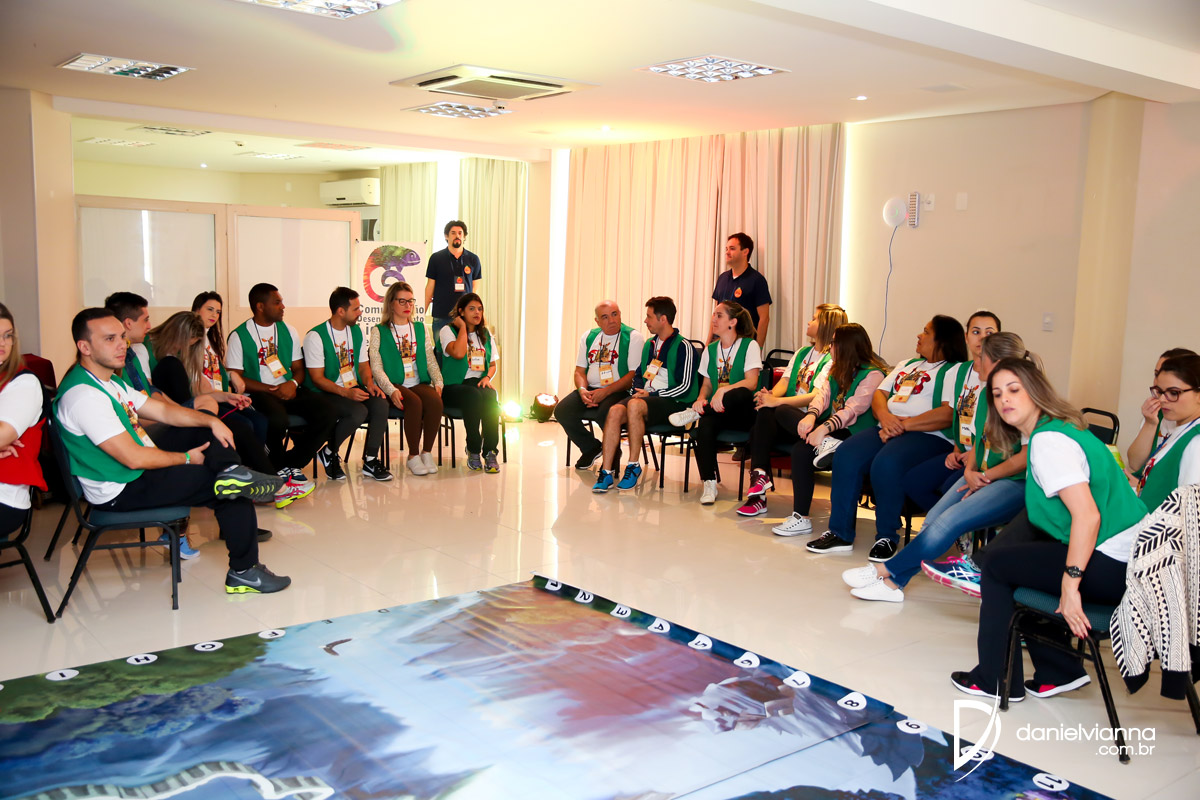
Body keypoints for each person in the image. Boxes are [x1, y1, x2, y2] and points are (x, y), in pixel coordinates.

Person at [54, 308, 291, 593]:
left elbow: (163, 412)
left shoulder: (109, 381)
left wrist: (211, 421)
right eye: (109, 339)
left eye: (121, 337)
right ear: (85, 347)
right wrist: (188, 459)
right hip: (120, 488)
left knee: (205, 431)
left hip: (134, 470)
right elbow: (133, 458)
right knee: (229, 490)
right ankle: (245, 571)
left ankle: (231, 470)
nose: (121, 345)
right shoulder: (84, 396)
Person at [950, 358, 1146, 702]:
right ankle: (1059, 671)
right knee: (1019, 562)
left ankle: (994, 679)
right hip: (1134, 559)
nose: (1005, 399)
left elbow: (1087, 517)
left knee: (996, 566)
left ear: (1035, 392)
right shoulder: (1062, 427)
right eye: (997, 394)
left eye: (1014, 390)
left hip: (1116, 565)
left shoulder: (1048, 442)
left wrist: (1070, 585)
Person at [842, 332, 1033, 602]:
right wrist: (970, 472)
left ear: (998, 363)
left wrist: (983, 476)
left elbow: (1026, 456)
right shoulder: (986, 395)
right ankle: (893, 584)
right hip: (983, 473)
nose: (974, 363)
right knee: (933, 519)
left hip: (1014, 481)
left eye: (980, 358)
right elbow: (979, 441)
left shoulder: (1022, 399)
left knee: (950, 520)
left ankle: (886, 572)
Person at [807, 316, 969, 561]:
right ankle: (840, 533)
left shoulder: (955, 370)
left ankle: (886, 536)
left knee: (887, 462)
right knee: (847, 454)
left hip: (928, 435)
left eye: (926, 332)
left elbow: (948, 413)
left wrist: (901, 425)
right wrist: (885, 417)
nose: (919, 335)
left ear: (942, 340)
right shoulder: (908, 364)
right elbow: (880, 394)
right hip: (888, 427)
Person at [149, 311, 313, 515]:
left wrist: (227, 396)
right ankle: (273, 483)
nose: (192, 345)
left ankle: (267, 481)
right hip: (182, 420)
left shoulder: (177, 361)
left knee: (250, 423)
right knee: (241, 429)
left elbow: (199, 394)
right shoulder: (168, 362)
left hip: (190, 413)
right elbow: (175, 404)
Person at [738, 323, 887, 529]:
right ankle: (801, 517)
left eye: (834, 343)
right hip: (831, 433)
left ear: (846, 345)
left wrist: (823, 429)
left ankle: (796, 512)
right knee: (787, 425)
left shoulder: (873, 374)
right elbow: (822, 398)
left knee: (798, 445)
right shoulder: (837, 370)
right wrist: (810, 416)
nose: (830, 347)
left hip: (854, 435)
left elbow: (852, 410)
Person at [226, 283, 337, 484]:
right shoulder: (239, 336)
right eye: (277, 303)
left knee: (327, 412)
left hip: (287, 388)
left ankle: (292, 463)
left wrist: (293, 383)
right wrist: (271, 389)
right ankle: (276, 467)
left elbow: (299, 368)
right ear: (260, 306)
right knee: (277, 419)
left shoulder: (289, 331)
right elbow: (236, 377)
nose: (283, 306)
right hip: (257, 393)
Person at [743, 303, 848, 502]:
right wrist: (769, 396)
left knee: (773, 413)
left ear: (826, 325)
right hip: (786, 419)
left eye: (814, 319)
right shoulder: (802, 352)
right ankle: (760, 479)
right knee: (765, 414)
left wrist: (776, 401)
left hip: (810, 420)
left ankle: (758, 488)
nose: (809, 322)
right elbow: (784, 381)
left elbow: (816, 396)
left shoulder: (831, 359)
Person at [900, 311, 1001, 517]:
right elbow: (957, 416)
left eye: (989, 332)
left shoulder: (1004, 375)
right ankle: (952, 525)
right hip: (962, 451)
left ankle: (952, 525)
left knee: (951, 488)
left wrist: (974, 454)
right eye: (976, 332)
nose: (982, 338)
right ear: (966, 337)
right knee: (913, 482)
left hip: (987, 456)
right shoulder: (956, 372)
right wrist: (956, 450)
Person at [593, 296, 698, 493]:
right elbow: (640, 375)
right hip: (646, 399)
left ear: (663, 319)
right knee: (614, 411)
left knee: (634, 405)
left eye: (649, 317)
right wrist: (638, 391)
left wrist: (652, 394)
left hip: (673, 402)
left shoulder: (684, 346)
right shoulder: (650, 344)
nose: (645, 321)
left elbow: (685, 387)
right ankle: (606, 471)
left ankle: (633, 465)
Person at [668, 302, 761, 505]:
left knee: (740, 393)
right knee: (706, 426)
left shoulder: (749, 345)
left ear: (732, 322)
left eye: (719, 315)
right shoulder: (710, 349)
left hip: (743, 414)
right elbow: (707, 384)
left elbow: (752, 382)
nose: (713, 319)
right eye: (713, 315)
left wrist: (724, 389)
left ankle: (698, 412)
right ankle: (709, 483)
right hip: (717, 411)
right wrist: (701, 398)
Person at [303, 287, 392, 482]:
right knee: (357, 411)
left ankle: (370, 460)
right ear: (340, 311)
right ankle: (330, 452)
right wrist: (345, 393)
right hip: (323, 391)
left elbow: (363, 365)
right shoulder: (315, 336)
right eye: (356, 309)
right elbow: (317, 378)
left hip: (350, 387)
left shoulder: (356, 331)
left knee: (380, 404)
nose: (360, 312)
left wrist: (369, 383)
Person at [369, 281, 444, 476]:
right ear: (391, 303)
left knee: (435, 402)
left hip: (417, 381)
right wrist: (391, 389)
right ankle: (413, 455)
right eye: (402, 301)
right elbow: (376, 367)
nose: (407, 305)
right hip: (394, 383)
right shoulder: (379, 331)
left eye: (410, 301)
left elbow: (430, 358)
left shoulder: (420, 328)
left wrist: (438, 381)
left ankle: (426, 452)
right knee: (414, 402)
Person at [558, 300, 644, 470]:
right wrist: (582, 390)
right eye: (605, 317)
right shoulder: (589, 336)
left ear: (620, 314)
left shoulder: (633, 337)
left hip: (620, 390)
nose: (611, 320)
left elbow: (633, 376)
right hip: (591, 389)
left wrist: (605, 392)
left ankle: (613, 455)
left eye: (615, 314)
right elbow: (579, 371)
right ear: (597, 321)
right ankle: (591, 447)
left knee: (605, 412)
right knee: (562, 410)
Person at [104, 292, 213, 413]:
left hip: (153, 411)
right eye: (145, 320)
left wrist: (179, 410)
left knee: (208, 403)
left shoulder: (131, 354)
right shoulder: (130, 354)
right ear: (128, 323)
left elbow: (149, 390)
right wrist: (178, 414)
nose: (149, 326)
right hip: (144, 417)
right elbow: (135, 410)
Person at [0, 303, 49, 544]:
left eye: (7, 335)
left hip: (4, 497)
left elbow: (3, 435)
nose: (2, 343)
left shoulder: (23, 383)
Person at [1128, 353, 1200, 513]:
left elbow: (1190, 514)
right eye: (1160, 392)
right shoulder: (1182, 428)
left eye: (1173, 393)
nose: (1162, 400)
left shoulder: (1196, 441)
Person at [191, 291, 267, 441]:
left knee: (260, 421)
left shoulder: (211, 338)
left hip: (221, 396)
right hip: (205, 400)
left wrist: (231, 375)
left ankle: (259, 456)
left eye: (218, 312)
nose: (214, 315)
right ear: (196, 310)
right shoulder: (190, 339)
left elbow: (216, 369)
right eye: (210, 309)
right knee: (246, 425)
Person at [439, 293, 501, 473]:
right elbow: (458, 353)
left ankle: (490, 451)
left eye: (480, 309)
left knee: (490, 395)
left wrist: (487, 378)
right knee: (472, 395)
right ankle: (473, 449)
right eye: (472, 309)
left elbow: (492, 365)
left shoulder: (486, 334)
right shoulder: (447, 331)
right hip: (453, 386)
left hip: (477, 383)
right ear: (461, 312)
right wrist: (463, 329)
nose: (477, 313)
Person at [712, 233, 771, 349]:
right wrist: (708, 343)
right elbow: (715, 315)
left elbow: (764, 318)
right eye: (726, 249)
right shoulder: (722, 278)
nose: (727, 252)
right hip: (719, 344)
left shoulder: (757, 280)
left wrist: (757, 349)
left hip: (743, 345)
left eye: (732, 249)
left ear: (745, 252)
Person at [425, 220, 481, 338]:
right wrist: (421, 314)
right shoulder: (436, 258)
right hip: (441, 315)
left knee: (465, 348)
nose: (457, 236)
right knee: (440, 348)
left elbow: (474, 288)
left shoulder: (473, 259)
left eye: (460, 233)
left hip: (465, 316)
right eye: (453, 233)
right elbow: (430, 287)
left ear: (464, 237)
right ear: (446, 236)